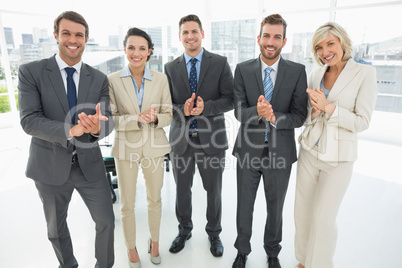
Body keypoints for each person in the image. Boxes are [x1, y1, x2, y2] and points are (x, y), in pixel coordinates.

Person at [18, 11, 115, 268]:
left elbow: (108, 120)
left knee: (106, 221)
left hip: (89, 165)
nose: (73, 40)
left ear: (86, 38)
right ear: (56, 36)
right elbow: (29, 120)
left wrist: (95, 129)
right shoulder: (31, 72)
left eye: (79, 35)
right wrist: (71, 130)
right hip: (48, 165)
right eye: (67, 33)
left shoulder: (99, 78)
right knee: (56, 228)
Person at [294, 22, 378, 268]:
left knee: (323, 219)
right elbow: (309, 113)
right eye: (319, 47)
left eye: (330, 43)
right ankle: (302, 261)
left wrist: (328, 108)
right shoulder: (316, 74)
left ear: (342, 42)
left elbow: (362, 121)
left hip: (339, 159)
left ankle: (318, 264)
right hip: (309, 151)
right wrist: (315, 110)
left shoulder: (364, 74)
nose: (325, 51)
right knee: (302, 213)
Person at [232, 14, 308, 268]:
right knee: (244, 206)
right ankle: (242, 251)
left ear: (284, 41)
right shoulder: (242, 69)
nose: (271, 41)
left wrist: (274, 117)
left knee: (275, 208)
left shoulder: (297, 72)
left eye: (277, 36)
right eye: (266, 35)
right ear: (259, 38)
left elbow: (300, 115)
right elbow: (239, 112)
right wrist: (258, 112)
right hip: (248, 150)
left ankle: (272, 252)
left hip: (281, 152)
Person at [164, 14, 234, 257]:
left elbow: (231, 99)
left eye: (194, 31)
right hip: (181, 140)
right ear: (180, 36)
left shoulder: (220, 63)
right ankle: (184, 231)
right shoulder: (170, 68)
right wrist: (179, 110)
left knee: (213, 191)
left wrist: (207, 108)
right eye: (185, 32)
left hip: (211, 140)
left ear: (202, 34)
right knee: (182, 190)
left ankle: (214, 234)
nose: (190, 36)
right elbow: (167, 105)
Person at [108, 28, 172, 267]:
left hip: (155, 147)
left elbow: (169, 114)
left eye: (142, 48)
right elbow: (112, 119)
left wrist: (154, 119)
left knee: (154, 199)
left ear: (149, 52)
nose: (136, 53)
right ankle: (131, 247)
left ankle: (154, 242)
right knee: (127, 203)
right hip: (125, 148)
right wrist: (137, 118)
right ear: (125, 50)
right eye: (131, 47)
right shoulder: (112, 80)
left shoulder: (161, 78)